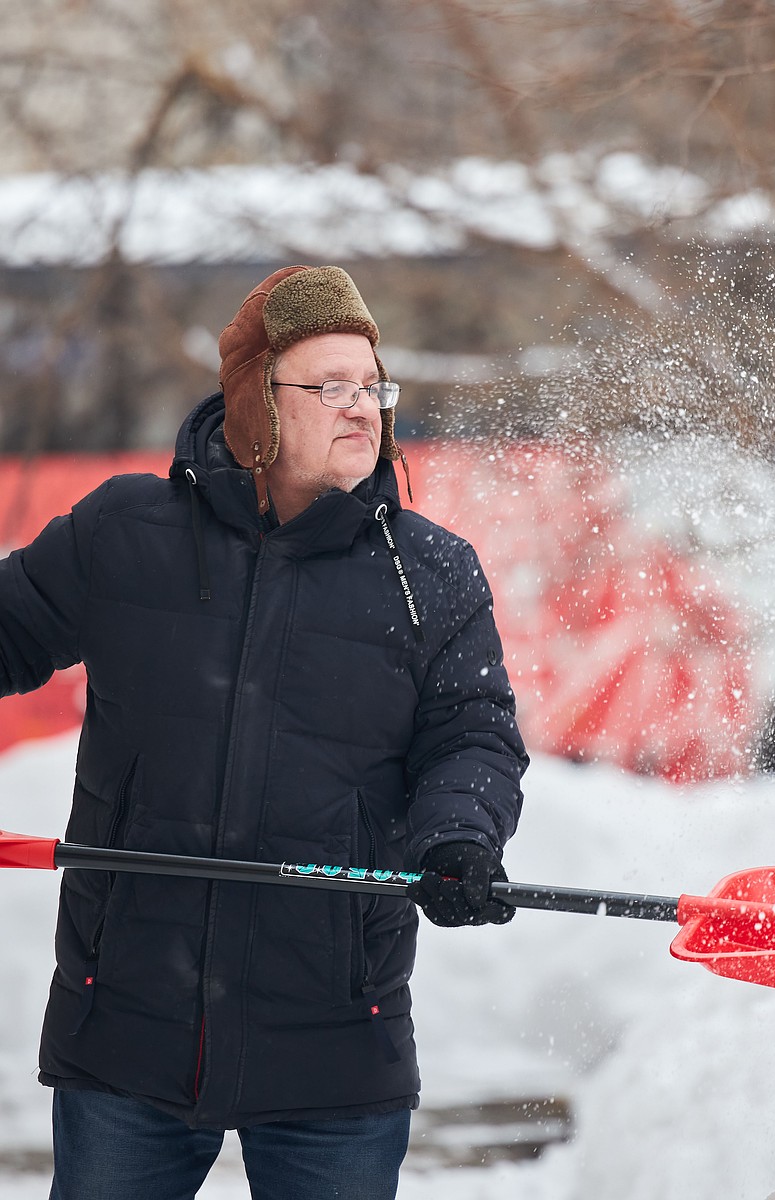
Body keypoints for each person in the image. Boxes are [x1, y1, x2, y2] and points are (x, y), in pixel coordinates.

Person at [0, 265, 527, 1199]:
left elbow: (472, 737)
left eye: (372, 386)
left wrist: (458, 836)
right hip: (130, 1024)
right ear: (255, 403)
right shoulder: (128, 534)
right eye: (331, 387)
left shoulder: (432, 573)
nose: (362, 408)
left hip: (336, 1032)